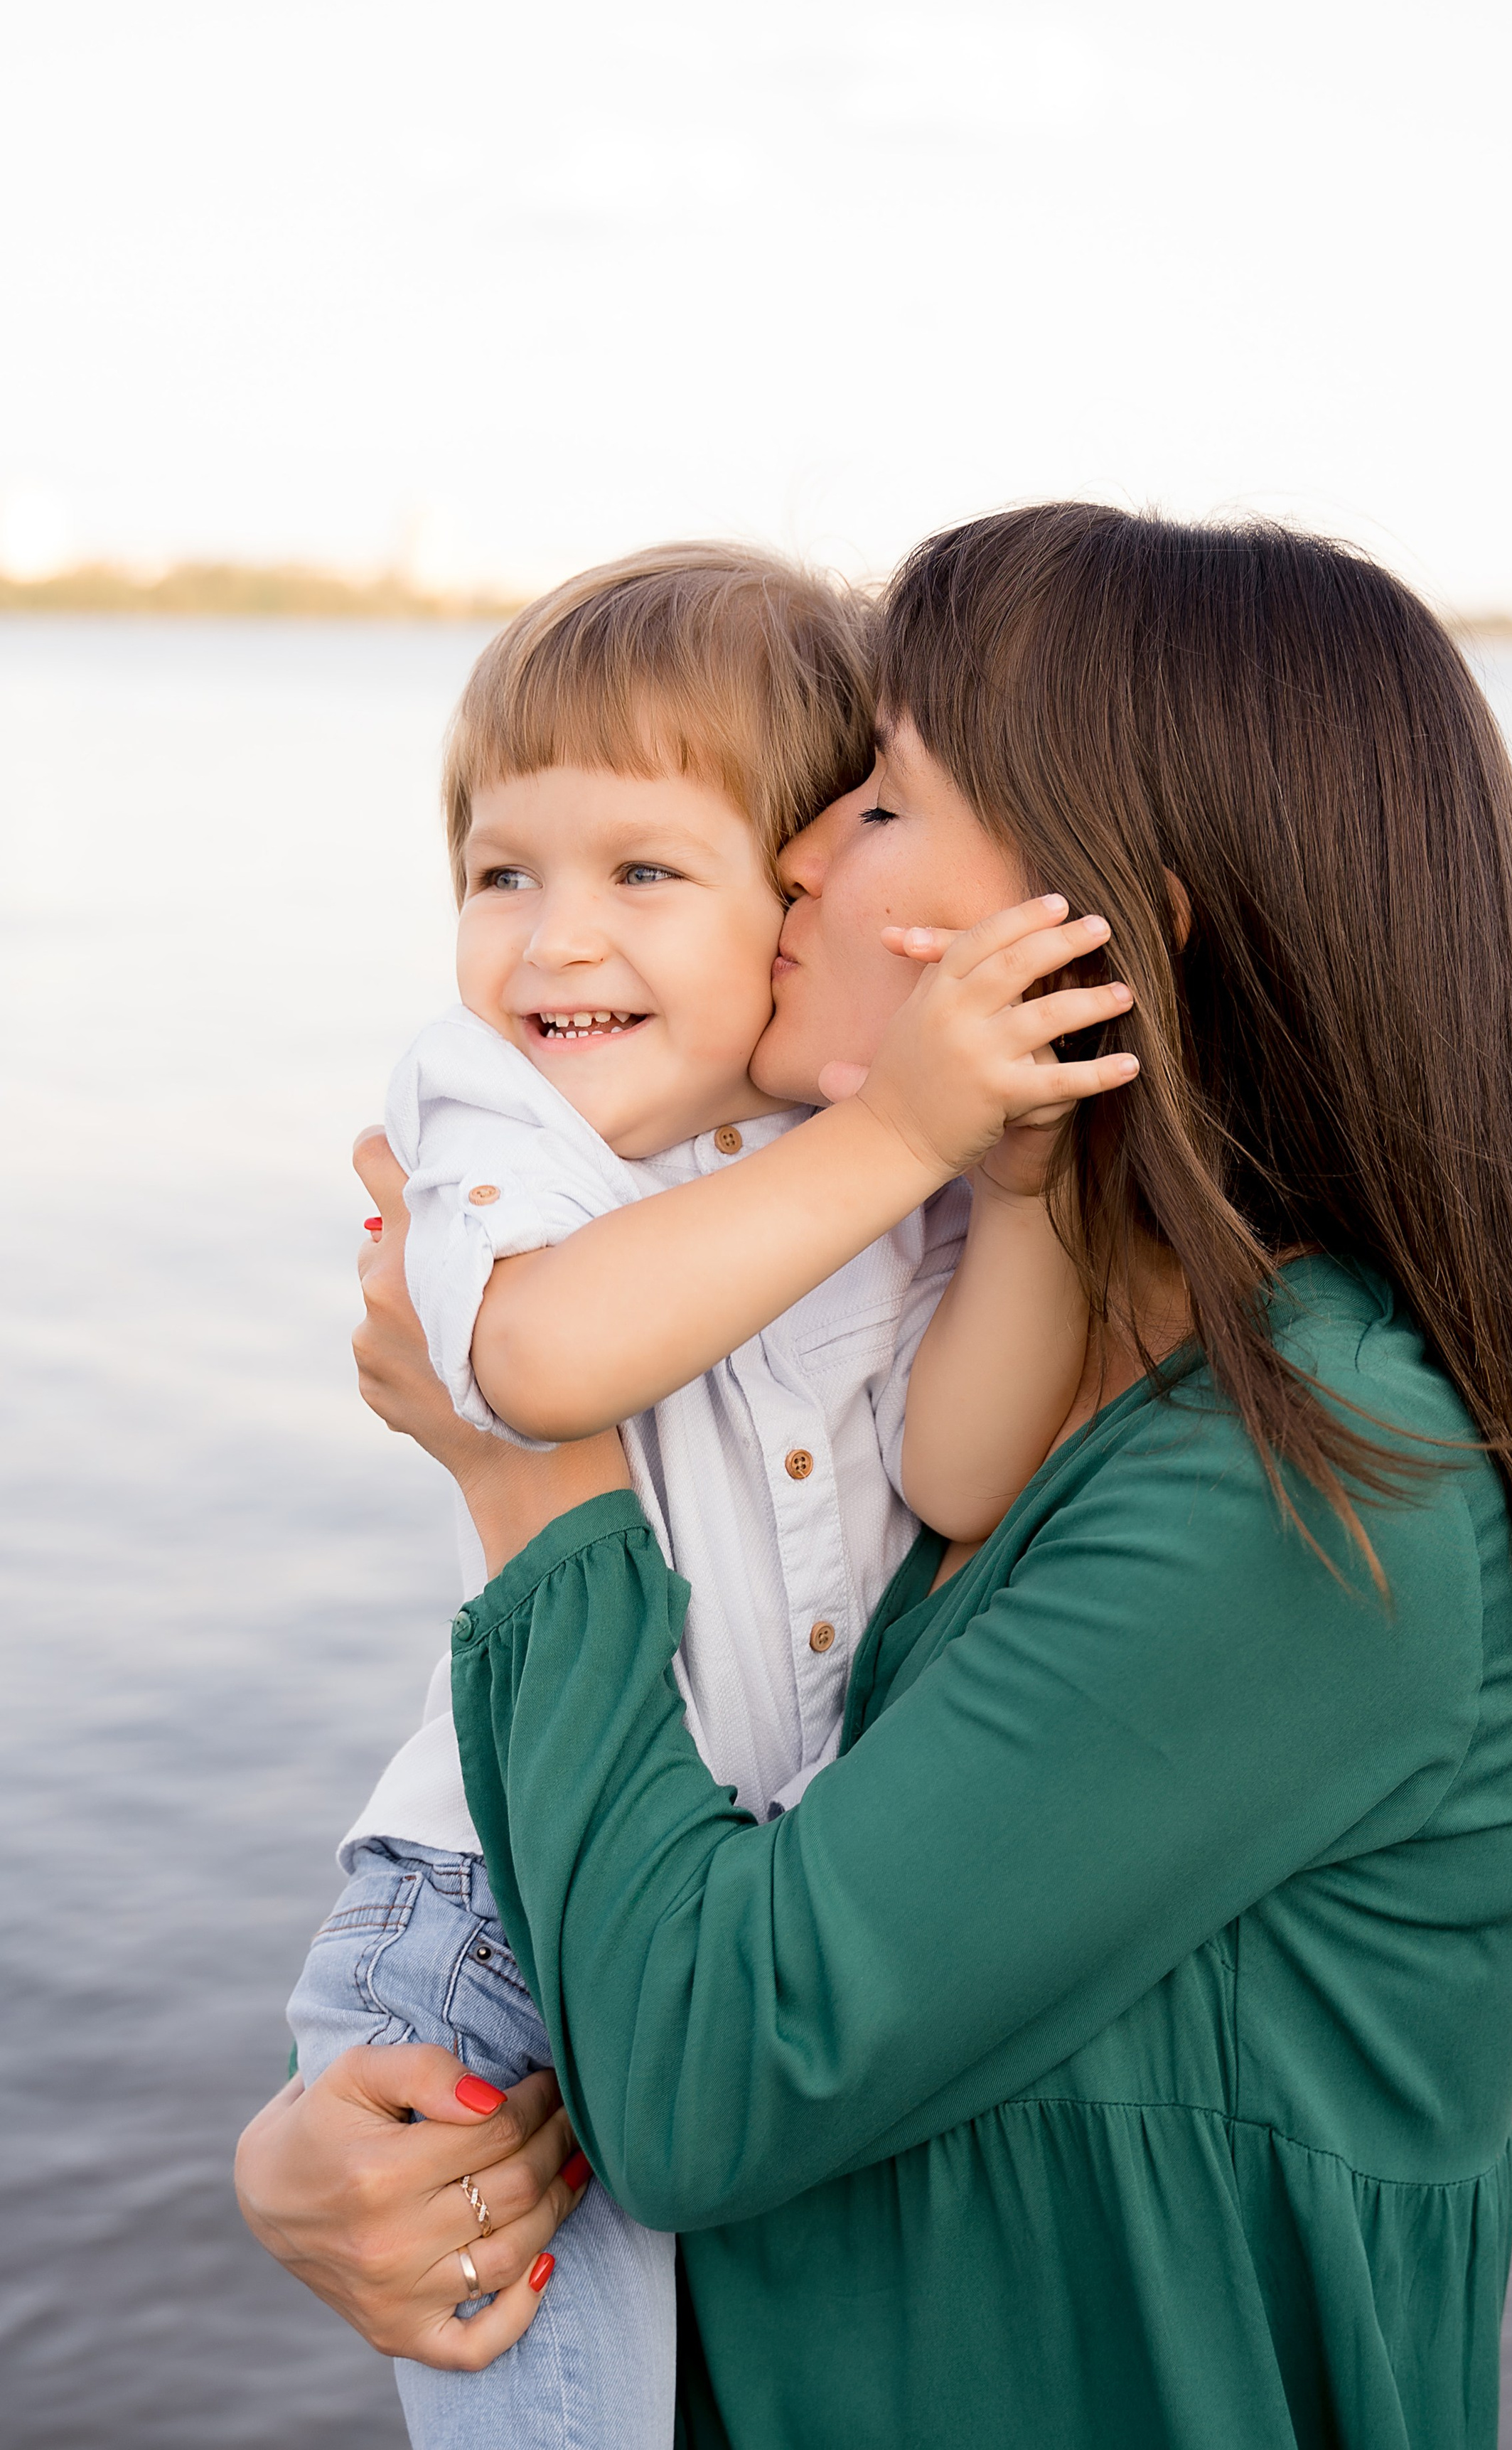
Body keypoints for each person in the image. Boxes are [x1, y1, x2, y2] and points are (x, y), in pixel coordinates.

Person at [240, 507, 1512, 2449]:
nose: (793, 849)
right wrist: (359, 2137)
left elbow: (715, 2073)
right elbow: (732, 1880)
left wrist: (528, 1481)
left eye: (880, 798)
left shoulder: (1316, 1480)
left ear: (1108, 929)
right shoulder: (962, 1316)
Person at [279, 543, 1132, 2447]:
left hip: (710, 1891)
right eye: (504, 873)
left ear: (800, 897)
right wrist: (909, 1127)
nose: (552, 942)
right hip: (494, 1913)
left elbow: (961, 1465)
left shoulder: (861, 1152)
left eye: (642, 874)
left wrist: (1019, 1186)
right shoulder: (493, 1112)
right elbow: (540, 1368)